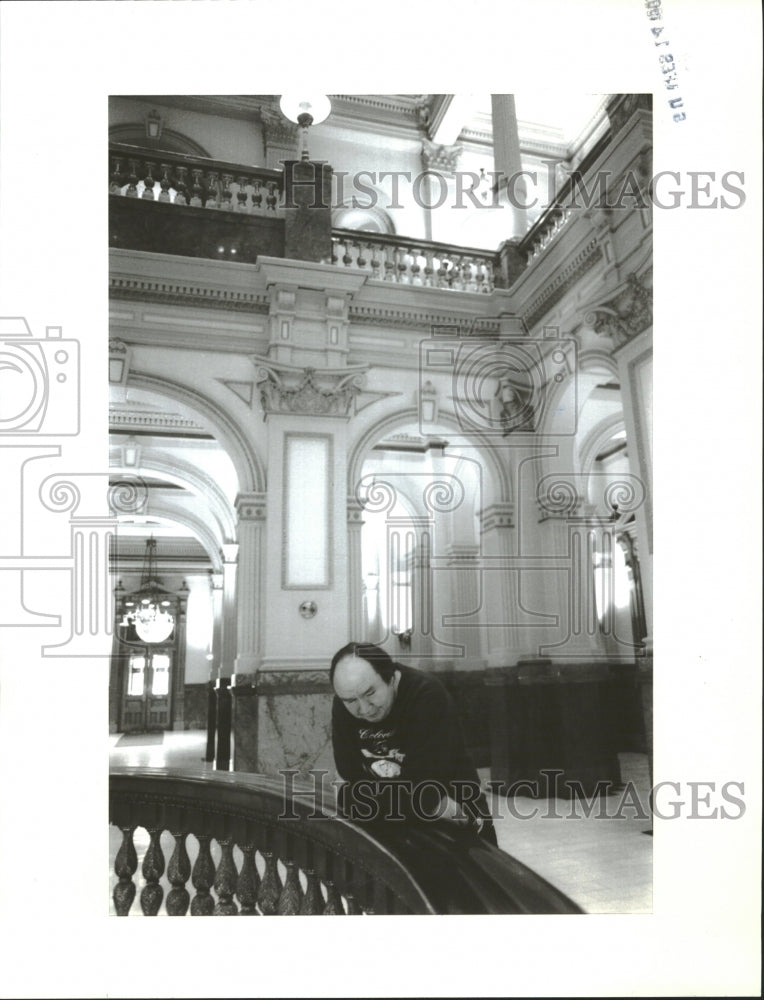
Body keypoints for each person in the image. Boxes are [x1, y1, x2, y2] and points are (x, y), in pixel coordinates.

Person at [330, 641, 497, 844]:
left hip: (460, 818)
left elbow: (425, 793)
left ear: (391, 678)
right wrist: (428, 803)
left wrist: (368, 799)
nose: (364, 709)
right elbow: (349, 786)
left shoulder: (427, 696)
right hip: (407, 820)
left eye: (371, 693)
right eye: (350, 701)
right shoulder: (345, 701)